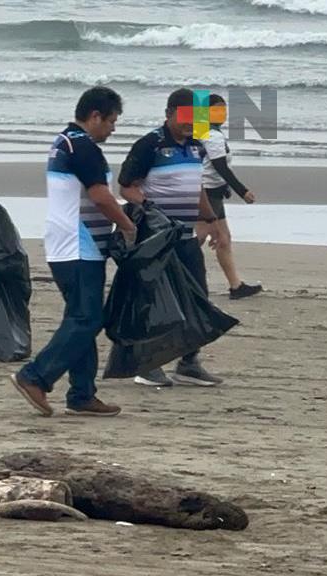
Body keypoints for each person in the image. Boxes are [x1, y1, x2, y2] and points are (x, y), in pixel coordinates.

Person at [10, 87, 137, 418]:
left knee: (79, 317)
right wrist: (127, 226)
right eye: (111, 121)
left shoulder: (63, 142)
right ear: (94, 116)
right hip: (79, 246)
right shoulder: (83, 147)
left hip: (65, 242)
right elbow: (101, 197)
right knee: (87, 318)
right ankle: (35, 376)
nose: (113, 128)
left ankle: (82, 393)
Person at [119, 88, 224, 388]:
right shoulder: (150, 144)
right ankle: (147, 365)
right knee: (156, 302)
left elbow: (196, 186)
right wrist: (149, 210)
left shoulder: (196, 146)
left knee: (197, 296)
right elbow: (126, 188)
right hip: (157, 239)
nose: (192, 122)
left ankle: (189, 363)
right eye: (186, 115)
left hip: (187, 236)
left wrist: (211, 220)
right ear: (169, 113)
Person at [196, 93, 262, 300]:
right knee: (198, 238)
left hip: (213, 190)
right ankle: (165, 273)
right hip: (206, 193)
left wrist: (225, 188)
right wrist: (242, 191)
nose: (222, 113)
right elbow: (220, 167)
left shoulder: (204, 130)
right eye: (216, 109)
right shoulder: (212, 135)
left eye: (224, 109)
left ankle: (236, 286)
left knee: (223, 238)